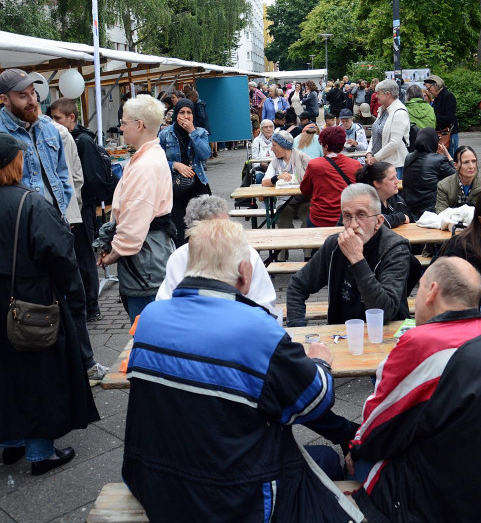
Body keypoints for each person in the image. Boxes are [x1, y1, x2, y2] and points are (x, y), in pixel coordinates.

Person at [122, 219, 361, 523]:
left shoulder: (151, 318)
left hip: (154, 484)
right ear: (245, 272)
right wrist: (320, 361)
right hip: (234, 497)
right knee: (326, 460)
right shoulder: (256, 327)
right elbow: (315, 401)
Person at [347, 256, 481, 523]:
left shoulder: (423, 343)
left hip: (439, 501)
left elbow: (378, 424)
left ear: (432, 291)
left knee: (358, 458)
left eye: (420, 288)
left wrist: (355, 448)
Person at [0, 134, 99, 476]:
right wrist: (74, 296)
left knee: (5, 374)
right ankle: (40, 452)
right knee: (37, 373)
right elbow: (60, 255)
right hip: (32, 301)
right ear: (12, 163)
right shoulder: (30, 203)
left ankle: (10, 445)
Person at [286, 183, 412, 327]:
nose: (353, 225)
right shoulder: (334, 245)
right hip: (342, 335)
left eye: (361, 215)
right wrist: (298, 329)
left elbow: (384, 312)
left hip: (386, 335)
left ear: (378, 221)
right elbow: (297, 285)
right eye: (347, 216)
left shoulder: (395, 249)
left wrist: (357, 259)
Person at [96, 94, 174, 323]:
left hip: (146, 261)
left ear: (139, 125)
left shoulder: (146, 164)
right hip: (148, 257)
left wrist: (114, 253)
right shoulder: (146, 157)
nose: (120, 128)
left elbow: (134, 222)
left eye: (123, 122)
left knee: (146, 332)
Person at [155, 195, 276, 310]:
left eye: (228, 226)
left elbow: (264, 302)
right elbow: (165, 301)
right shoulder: (179, 257)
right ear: (195, 232)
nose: (227, 233)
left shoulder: (247, 254)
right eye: (218, 230)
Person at [49, 98, 107, 321]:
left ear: (71, 118)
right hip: (76, 208)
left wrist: (81, 205)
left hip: (82, 209)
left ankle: (92, 306)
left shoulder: (81, 141)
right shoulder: (71, 138)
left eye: (58, 119)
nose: (54, 123)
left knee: (84, 257)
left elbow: (88, 178)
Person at [0, 68, 72, 216]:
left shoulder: (48, 129)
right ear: (4, 99)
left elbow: (62, 174)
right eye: (23, 95)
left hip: (54, 221)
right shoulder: (2, 134)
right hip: (19, 227)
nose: (32, 101)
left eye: (32, 92)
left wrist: (61, 210)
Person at [159, 98, 211, 246]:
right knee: (180, 229)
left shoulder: (200, 132)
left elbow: (205, 154)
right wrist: (175, 165)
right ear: (176, 114)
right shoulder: (165, 134)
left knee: (202, 228)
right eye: (182, 112)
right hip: (176, 186)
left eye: (189, 112)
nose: (186, 116)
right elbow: (158, 161)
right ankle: (183, 263)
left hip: (197, 184)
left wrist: (192, 132)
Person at [300, 127, 361, 228]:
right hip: (347, 220)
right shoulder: (355, 165)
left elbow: (305, 190)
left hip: (319, 220)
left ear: (326, 146)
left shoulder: (314, 165)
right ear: (342, 147)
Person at [403, 127, 456, 218]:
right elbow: (458, 176)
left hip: (411, 210)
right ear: (433, 141)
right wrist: (447, 155)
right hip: (432, 210)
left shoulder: (409, 157)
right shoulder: (439, 160)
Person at [365, 79, 410, 179]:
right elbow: (374, 133)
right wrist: (369, 153)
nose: (376, 96)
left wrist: (375, 158)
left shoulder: (399, 112)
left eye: (378, 93)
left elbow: (394, 143)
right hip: (379, 163)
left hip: (394, 166)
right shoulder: (383, 109)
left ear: (388, 94)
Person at [435, 145, 481, 213]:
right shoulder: (444, 186)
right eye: (466, 162)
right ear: (456, 165)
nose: (471, 166)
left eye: (474, 161)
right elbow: (441, 213)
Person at [356, 161, 413, 228]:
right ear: (377, 183)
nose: (397, 181)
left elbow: (411, 223)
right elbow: (369, 222)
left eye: (396, 176)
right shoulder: (361, 203)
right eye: (392, 178)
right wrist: (401, 217)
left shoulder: (397, 200)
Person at [425, 74, 459, 157]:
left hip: (449, 134)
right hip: (441, 133)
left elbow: (450, 117)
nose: (429, 91)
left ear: (436, 85)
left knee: (450, 158)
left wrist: (433, 119)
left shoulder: (448, 96)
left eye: (429, 88)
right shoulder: (437, 97)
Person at [250, 119, 274, 185]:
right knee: (259, 179)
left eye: (270, 127)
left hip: (275, 167)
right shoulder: (256, 141)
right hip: (260, 169)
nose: (268, 129)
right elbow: (254, 158)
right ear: (261, 129)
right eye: (266, 127)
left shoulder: (277, 140)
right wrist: (261, 164)